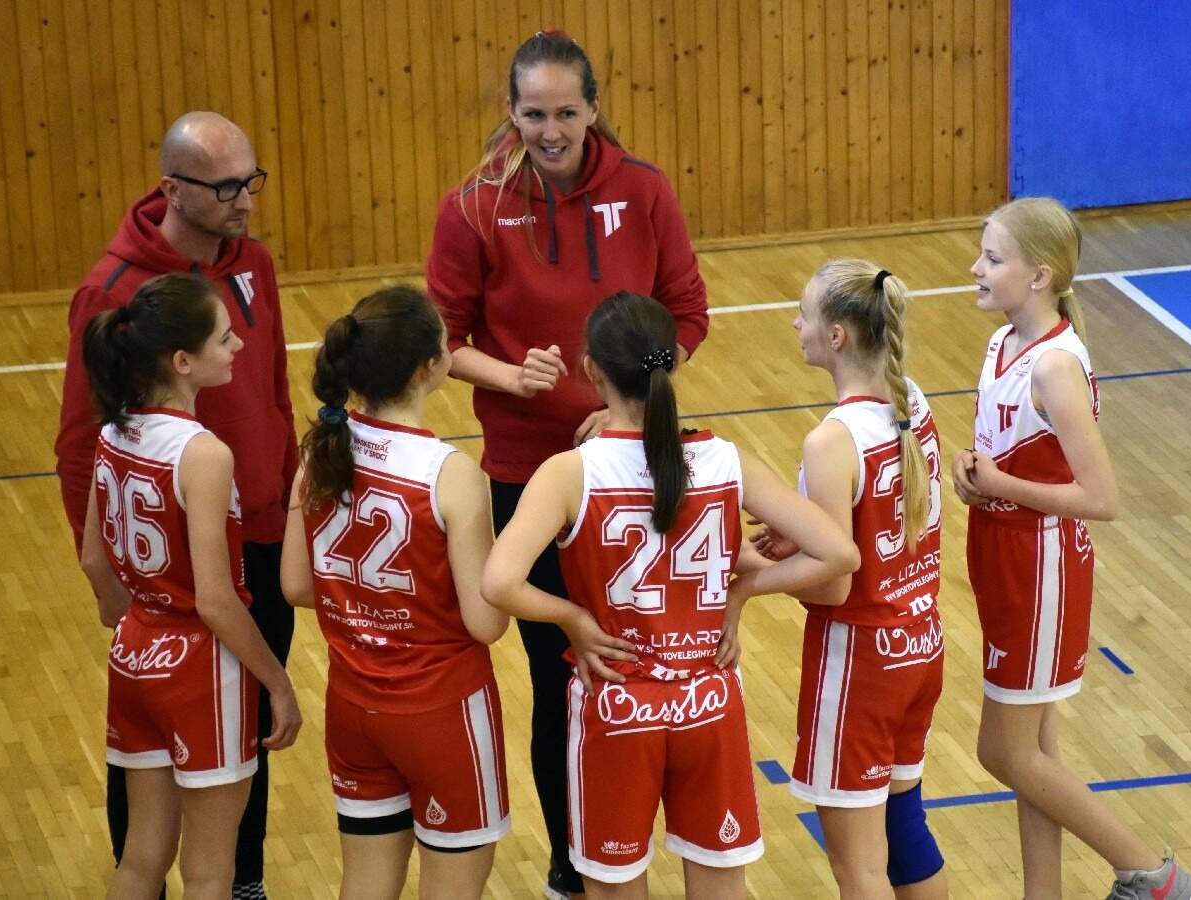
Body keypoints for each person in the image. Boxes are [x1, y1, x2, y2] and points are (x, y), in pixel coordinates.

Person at [425, 30, 710, 899]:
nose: (549, 132)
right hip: (524, 474)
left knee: (645, 668)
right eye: (532, 114)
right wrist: (509, 377)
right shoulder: (473, 207)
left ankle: (641, 847)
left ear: (593, 108)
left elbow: (685, 314)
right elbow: (442, 341)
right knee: (562, 681)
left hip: (633, 468)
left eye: (565, 113)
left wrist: (631, 404)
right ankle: (572, 862)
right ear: (509, 112)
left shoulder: (643, 191)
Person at [482, 291, 859, 899]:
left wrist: (573, 619)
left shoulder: (570, 472)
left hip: (618, 707)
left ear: (591, 371)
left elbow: (499, 582)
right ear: (673, 364)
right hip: (708, 704)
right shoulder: (725, 459)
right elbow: (839, 553)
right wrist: (741, 591)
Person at [54, 112, 297, 898]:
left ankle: (245, 880)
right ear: (171, 189)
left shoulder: (253, 262)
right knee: (184, 808)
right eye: (225, 188)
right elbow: (78, 445)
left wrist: (291, 513)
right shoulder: (112, 291)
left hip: (255, 542)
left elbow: (276, 394)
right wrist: (114, 585)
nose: (244, 201)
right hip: (190, 598)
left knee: (242, 754)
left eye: (250, 182)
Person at [953, 197, 1191, 900]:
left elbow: (1101, 498)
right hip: (1001, 552)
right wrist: (975, 475)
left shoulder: (1055, 367)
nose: (974, 268)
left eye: (992, 258)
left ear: (1039, 275)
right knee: (1036, 753)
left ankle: (1153, 876)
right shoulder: (1002, 344)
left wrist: (1000, 484)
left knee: (1002, 751)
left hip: (1041, 566)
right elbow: (1016, 457)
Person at [723, 261, 948, 899]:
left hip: (860, 664)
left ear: (838, 336)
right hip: (920, 643)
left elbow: (833, 584)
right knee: (904, 835)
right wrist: (802, 535)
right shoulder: (912, 400)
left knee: (858, 867)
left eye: (804, 314)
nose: (796, 324)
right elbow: (877, 525)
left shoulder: (832, 441)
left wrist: (751, 577)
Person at [280, 286, 511, 900]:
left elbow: (295, 585)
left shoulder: (320, 451)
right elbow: (486, 624)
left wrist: (366, 607)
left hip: (353, 707)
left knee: (363, 886)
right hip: (442, 712)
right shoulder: (450, 473)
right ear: (428, 368)